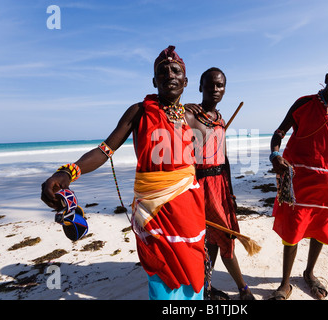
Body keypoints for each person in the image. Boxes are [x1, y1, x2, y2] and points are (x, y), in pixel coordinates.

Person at [41, 46, 207, 300]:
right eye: (163, 71)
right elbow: (104, 150)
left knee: (193, 277)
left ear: (186, 81)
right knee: (162, 281)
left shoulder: (192, 117)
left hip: (190, 212)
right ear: (154, 80)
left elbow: (202, 165)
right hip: (154, 214)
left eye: (176, 70)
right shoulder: (139, 112)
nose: (170, 75)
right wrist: (67, 173)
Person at [269, 59, 328, 300]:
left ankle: (309, 273)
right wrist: (275, 154)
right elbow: (279, 133)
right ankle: (285, 283)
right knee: (294, 229)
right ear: (327, 76)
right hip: (299, 177)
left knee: (321, 229)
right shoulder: (304, 103)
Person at [184, 68, 254, 300]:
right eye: (210, 85)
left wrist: (231, 193)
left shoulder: (220, 119)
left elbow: (224, 159)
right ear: (200, 86)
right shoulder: (190, 116)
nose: (215, 90)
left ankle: (206, 285)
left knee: (215, 237)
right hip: (199, 185)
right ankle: (243, 289)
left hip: (220, 185)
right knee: (223, 236)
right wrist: (182, 107)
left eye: (220, 85)